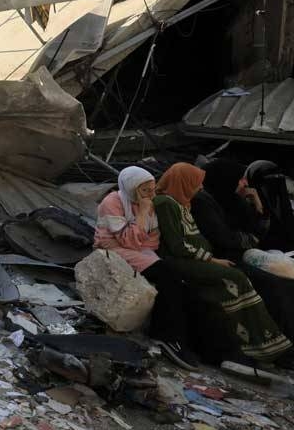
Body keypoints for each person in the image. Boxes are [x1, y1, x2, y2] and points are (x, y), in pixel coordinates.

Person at [153, 162, 293, 367]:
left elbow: (255, 231)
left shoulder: (191, 202)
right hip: (201, 259)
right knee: (246, 282)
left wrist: (257, 207)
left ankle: (271, 348)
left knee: (268, 285)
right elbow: (186, 243)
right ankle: (263, 349)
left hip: (214, 257)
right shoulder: (175, 203)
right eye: (195, 183)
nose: (200, 188)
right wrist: (212, 258)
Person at [93, 166, 200, 370]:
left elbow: (152, 240)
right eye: (145, 191)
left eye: (153, 190)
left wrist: (139, 233)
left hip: (139, 250)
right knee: (168, 277)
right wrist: (141, 214)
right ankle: (165, 336)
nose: (150, 196)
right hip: (112, 248)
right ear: (131, 189)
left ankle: (184, 339)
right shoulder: (113, 202)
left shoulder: (148, 203)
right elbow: (127, 240)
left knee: (181, 279)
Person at [193, 159, 294, 340]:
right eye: (240, 179)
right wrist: (252, 239)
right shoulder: (203, 203)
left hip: (243, 254)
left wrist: (258, 205)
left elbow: (258, 231)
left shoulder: (233, 200)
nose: (244, 183)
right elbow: (224, 239)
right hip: (224, 258)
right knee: (275, 285)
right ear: (225, 179)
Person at [245, 160, 294, 251]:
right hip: (271, 250)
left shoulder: (281, 198)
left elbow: (288, 217)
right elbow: (260, 233)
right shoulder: (250, 204)